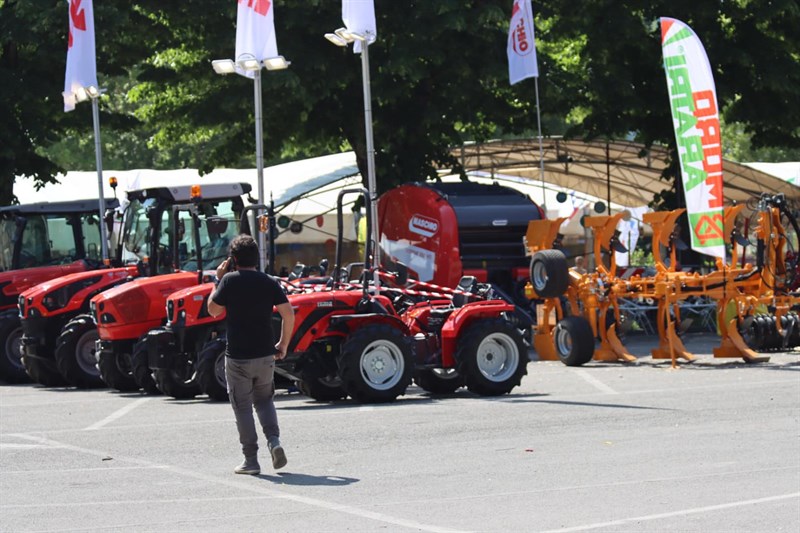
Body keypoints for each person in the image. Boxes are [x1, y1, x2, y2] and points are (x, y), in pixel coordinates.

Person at [207, 234, 295, 475]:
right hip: (265, 355)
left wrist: (218, 279)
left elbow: (212, 310)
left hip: (237, 357)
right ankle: (274, 441)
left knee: (243, 407)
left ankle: (251, 460)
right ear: (256, 258)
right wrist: (283, 344)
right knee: (265, 400)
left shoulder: (229, 281)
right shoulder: (268, 282)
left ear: (233, 260)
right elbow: (289, 314)